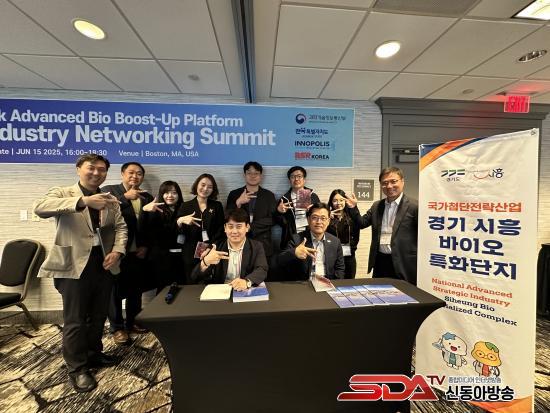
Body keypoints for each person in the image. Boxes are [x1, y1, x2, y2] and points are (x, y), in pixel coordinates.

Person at [33, 154, 127, 393]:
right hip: (73, 264)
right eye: (91, 168)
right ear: (78, 169)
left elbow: (120, 227)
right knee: (75, 319)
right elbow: (40, 208)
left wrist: (117, 251)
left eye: (102, 169)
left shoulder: (110, 199)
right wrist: (83, 201)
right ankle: (77, 368)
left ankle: (94, 354)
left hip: (103, 262)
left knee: (98, 315)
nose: (97, 173)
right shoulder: (63, 193)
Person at [102, 162, 154, 345]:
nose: (135, 176)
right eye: (131, 172)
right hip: (115, 251)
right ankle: (117, 328)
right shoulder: (109, 191)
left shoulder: (147, 197)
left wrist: (145, 246)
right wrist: (124, 197)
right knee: (114, 291)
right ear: (122, 174)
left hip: (136, 251)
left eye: (139, 173)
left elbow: (150, 225)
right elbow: (104, 213)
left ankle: (133, 322)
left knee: (135, 289)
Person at [347, 167, 418, 285]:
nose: (389, 186)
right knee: (379, 291)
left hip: (403, 262)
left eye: (393, 181)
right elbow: (362, 223)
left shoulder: (414, 206)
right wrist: (353, 208)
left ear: (402, 181)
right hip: (380, 260)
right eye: (385, 183)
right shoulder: (377, 206)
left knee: (404, 293)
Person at [191, 208, 267, 288]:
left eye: (239, 226)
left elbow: (262, 269)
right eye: (230, 227)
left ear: (247, 227)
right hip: (221, 290)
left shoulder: (256, 246)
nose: (234, 231)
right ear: (225, 228)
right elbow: (194, 277)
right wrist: (205, 261)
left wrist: (247, 282)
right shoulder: (216, 247)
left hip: (244, 290)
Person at [277, 202, 345, 281]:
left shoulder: (335, 242)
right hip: (304, 284)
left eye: (323, 218)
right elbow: (280, 261)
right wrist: (294, 252)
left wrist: (335, 284)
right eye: (314, 217)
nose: (319, 222)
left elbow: (340, 268)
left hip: (327, 282)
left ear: (328, 221)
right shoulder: (296, 239)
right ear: (308, 220)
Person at [226, 161, 277, 264]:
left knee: (262, 271)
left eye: (256, 173)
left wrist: (250, 227)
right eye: (249, 173)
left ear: (261, 175)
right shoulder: (234, 194)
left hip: (263, 242)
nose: (252, 176)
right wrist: (238, 203)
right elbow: (227, 217)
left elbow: (272, 219)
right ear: (244, 175)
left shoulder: (269, 195)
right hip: (239, 242)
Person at [177, 173, 225, 283]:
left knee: (210, 282)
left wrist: (210, 247)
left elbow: (221, 230)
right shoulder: (185, 206)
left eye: (210, 187)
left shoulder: (217, 206)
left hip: (211, 250)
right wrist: (180, 221)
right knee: (191, 282)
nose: (205, 189)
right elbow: (177, 232)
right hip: (190, 251)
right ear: (196, 185)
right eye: (203, 185)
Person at [142, 181, 184, 291]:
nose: (170, 195)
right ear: (161, 194)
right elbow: (145, 231)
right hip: (162, 258)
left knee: (182, 288)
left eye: (174, 192)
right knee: (163, 290)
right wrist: (144, 211)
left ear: (179, 195)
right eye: (166, 192)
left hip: (181, 257)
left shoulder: (184, 209)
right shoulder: (155, 210)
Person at [276, 166, 320, 249]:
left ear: (304, 179)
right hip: (291, 239)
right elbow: (279, 222)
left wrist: (313, 211)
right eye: (293, 177)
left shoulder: (313, 196)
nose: (296, 179)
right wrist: (279, 212)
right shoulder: (284, 199)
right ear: (289, 180)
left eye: (299, 176)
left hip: (311, 238)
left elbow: (320, 216)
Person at [326, 189, 360, 278]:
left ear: (345, 201)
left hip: (349, 256)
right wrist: (326, 218)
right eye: (335, 200)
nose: (338, 203)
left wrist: (353, 247)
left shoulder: (351, 215)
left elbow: (357, 231)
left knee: (349, 282)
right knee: (335, 282)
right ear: (331, 202)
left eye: (341, 200)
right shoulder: (327, 217)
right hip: (333, 257)